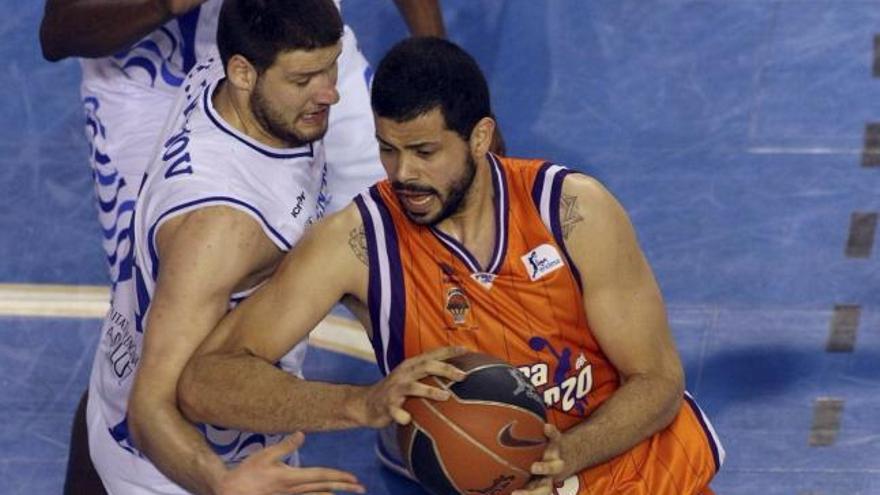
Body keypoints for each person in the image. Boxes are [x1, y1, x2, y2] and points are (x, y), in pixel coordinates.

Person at [178, 37, 725, 494]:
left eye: (424, 151)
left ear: (480, 137)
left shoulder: (572, 211)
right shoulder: (358, 243)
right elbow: (207, 380)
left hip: (641, 474)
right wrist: (359, 403)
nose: (403, 174)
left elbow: (657, 380)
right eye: (387, 150)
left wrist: (563, 455)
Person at [39, 0, 446, 492]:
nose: (331, 94)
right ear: (245, 72)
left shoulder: (232, 85)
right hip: (190, 468)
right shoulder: (222, 229)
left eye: (329, 69)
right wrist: (223, 482)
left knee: (139, 349)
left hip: (127, 414)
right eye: (304, 80)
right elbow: (152, 409)